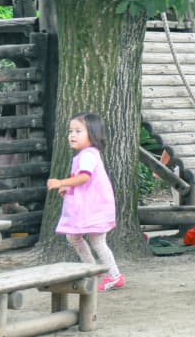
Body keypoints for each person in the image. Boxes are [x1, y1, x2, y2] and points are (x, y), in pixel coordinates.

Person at [46, 113, 125, 291]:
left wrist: (62, 182)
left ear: (93, 134)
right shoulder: (86, 155)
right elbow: (81, 179)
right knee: (73, 236)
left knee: (97, 241)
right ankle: (92, 268)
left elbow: (84, 177)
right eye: (71, 131)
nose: (72, 135)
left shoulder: (88, 155)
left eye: (78, 131)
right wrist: (68, 188)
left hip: (94, 207)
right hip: (89, 207)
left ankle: (114, 275)